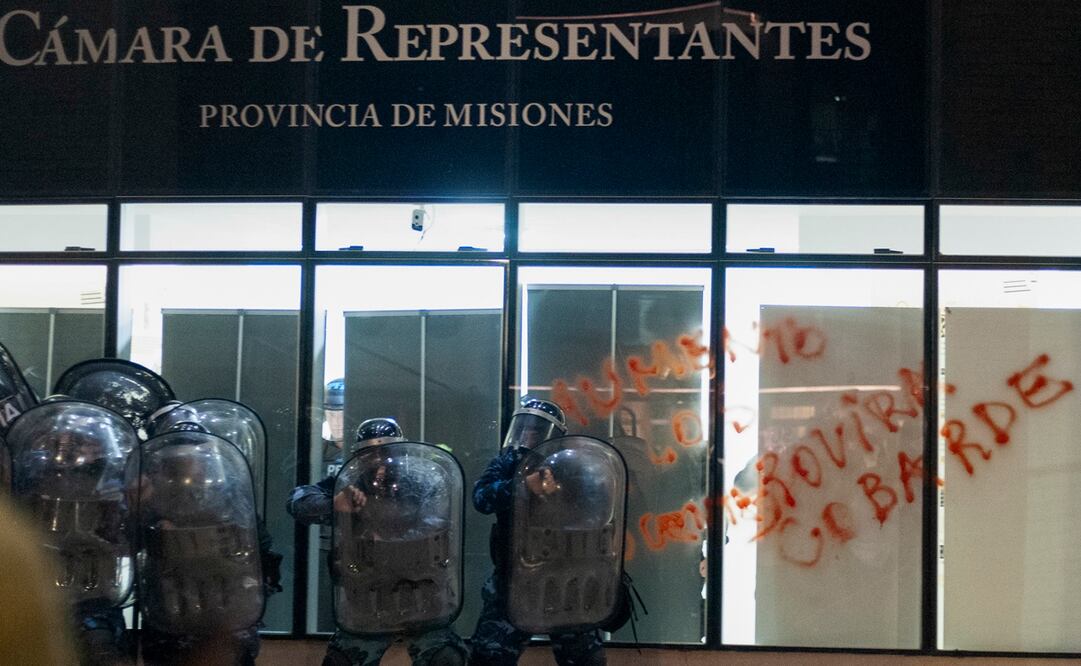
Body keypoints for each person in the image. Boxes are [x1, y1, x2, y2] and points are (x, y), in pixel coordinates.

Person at [287, 417, 468, 666]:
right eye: (371, 455)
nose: (380, 461)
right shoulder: (349, 485)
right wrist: (333, 504)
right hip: (368, 599)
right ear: (360, 458)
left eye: (387, 453)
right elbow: (297, 501)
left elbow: (438, 523)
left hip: (421, 597)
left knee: (445, 659)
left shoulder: (422, 484)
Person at [470, 397, 607, 666]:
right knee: (489, 656)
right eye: (523, 428)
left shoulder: (571, 467)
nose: (527, 435)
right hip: (514, 578)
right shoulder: (507, 462)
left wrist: (559, 493)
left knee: (584, 658)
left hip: (566, 576)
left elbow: (596, 511)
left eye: (536, 430)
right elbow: (481, 499)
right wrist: (520, 486)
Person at [133, 422, 269, 666]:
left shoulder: (229, 496)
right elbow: (126, 545)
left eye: (192, 458)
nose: (186, 465)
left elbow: (257, 545)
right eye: (177, 460)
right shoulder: (151, 497)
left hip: (225, 613)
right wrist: (143, 512)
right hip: (170, 613)